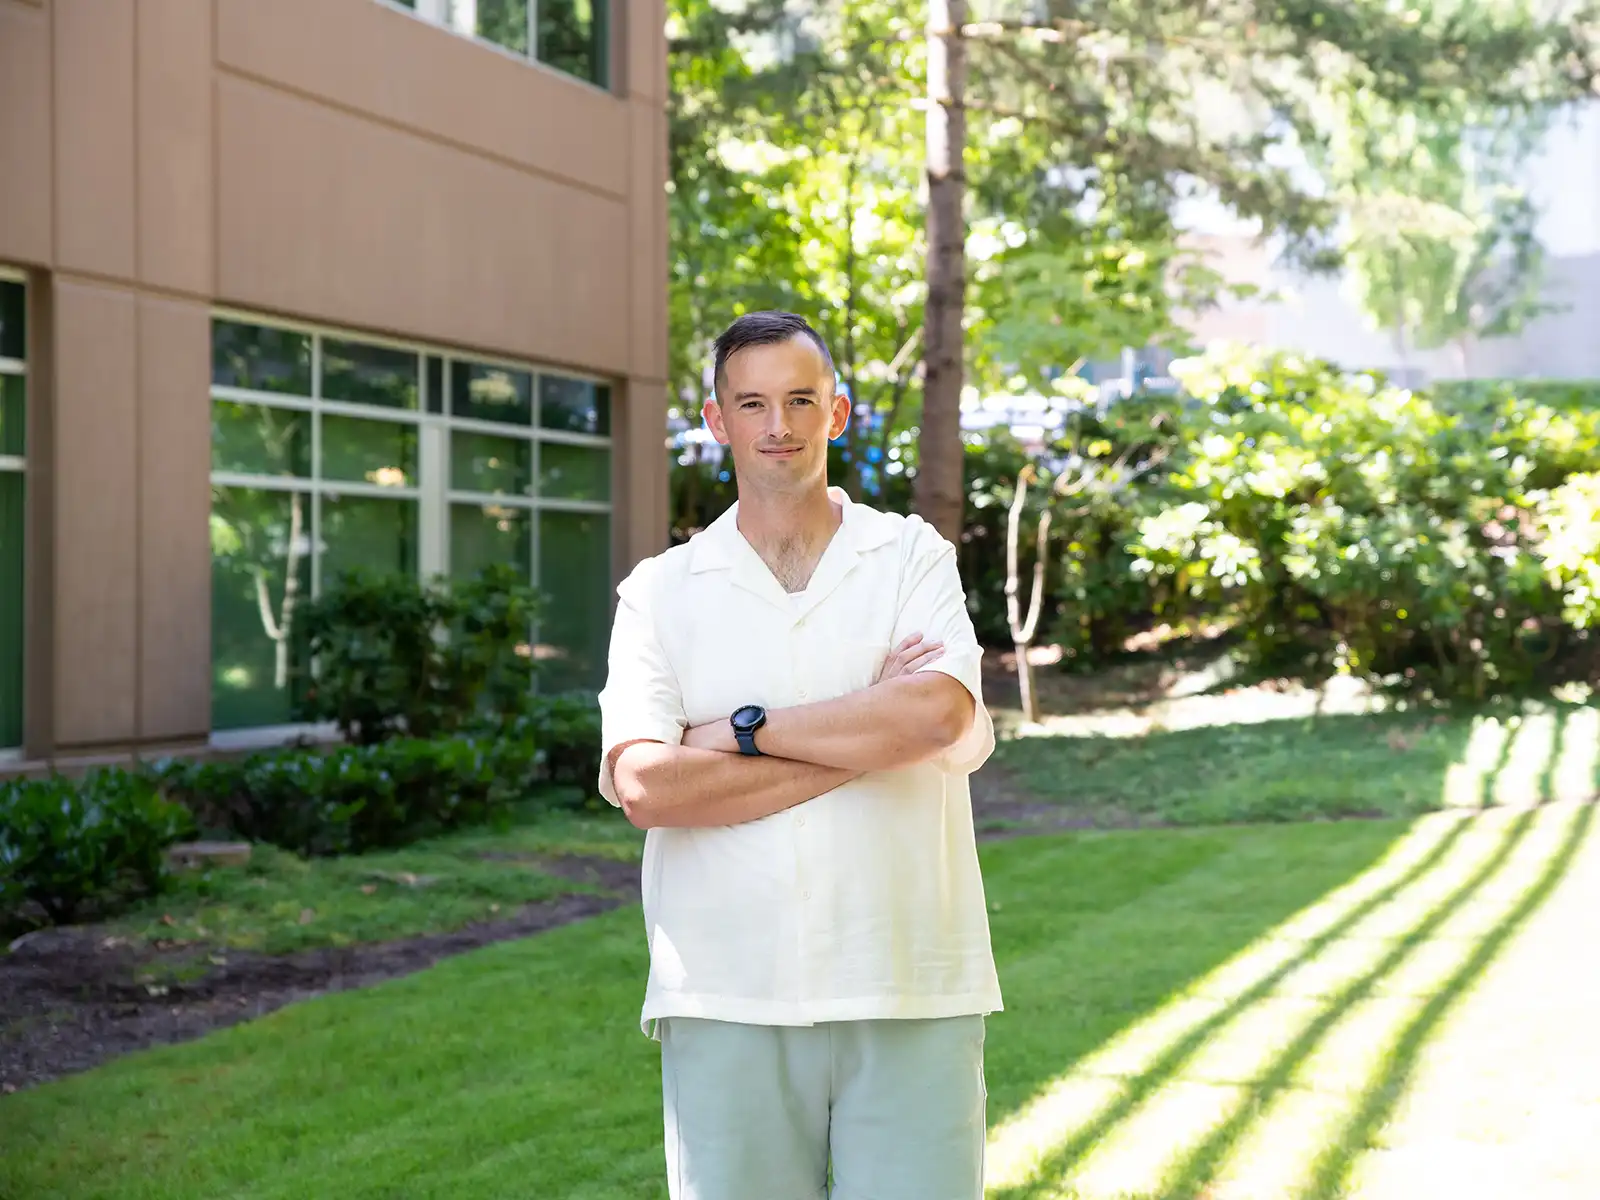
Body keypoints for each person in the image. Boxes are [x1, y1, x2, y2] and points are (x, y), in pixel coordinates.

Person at [597, 310, 1003, 1200]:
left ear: (838, 412)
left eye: (799, 400)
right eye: (752, 403)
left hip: (910, 979)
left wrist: (737, 733)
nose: (777, 426)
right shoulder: (662, 592)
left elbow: (937, 715)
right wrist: (872, 732)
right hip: (726, 987)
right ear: (717, 421)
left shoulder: (909, 557)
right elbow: (644, 782)